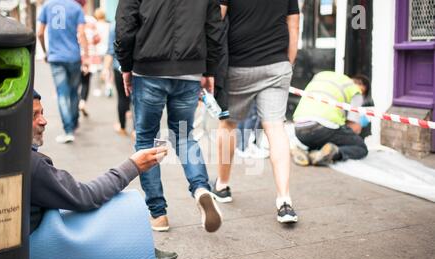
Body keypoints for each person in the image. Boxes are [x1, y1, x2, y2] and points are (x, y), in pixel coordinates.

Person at [30, 90, 178, 259]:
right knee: (120, 204)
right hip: (41, 245)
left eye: (42, 113)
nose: (43, 121)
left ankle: (139, 249)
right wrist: (133, 165)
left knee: (105, 200)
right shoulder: (32, 164)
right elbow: (86, 197)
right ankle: (139, 251)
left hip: (42, 231)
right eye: (33, 115)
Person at [115, 0, 224, 233]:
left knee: (146, 140)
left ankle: (158, 213)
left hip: (148, 70)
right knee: (184, 135)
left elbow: (125, 26)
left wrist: (125, 65)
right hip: (190, 70)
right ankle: (201, 188)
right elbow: (215, 28)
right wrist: (209, 69)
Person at [213, 0, 300, 224]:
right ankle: (284, 201)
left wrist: (210, 65)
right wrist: (288, 63)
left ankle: (222, 186)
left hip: (238, 65)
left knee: (228, 124)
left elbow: (216, 20)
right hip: (276, 65)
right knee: (276, 128)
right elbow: (293, 24)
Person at [37, 0, 89, 144]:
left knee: (62, 94)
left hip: (56, 57)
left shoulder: (47, 6)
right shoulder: (76, 7)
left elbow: (40, 33)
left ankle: (68, 130)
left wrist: (46, 52)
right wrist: (86, 55)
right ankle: (74, 121)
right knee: (73, 91)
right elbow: (82, 33)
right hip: (73, 56)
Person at [291, 72, 370, 166]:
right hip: (321, 128)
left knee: (324, 138)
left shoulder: (324, 76)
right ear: (363, 87)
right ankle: (334, 153)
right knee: (360, 147)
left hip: (299, 129)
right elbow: (354, 127)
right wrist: (358, 127)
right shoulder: (356, 91)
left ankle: (308, 154)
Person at [103, 24, 131, 137]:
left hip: (119, 66)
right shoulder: (141, 20)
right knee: (136, 99)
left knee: (122, 97)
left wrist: (105, 68)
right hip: (137, 67)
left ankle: (123, 127)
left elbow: (110, 50)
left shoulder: (114, 26)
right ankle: (135, 130)